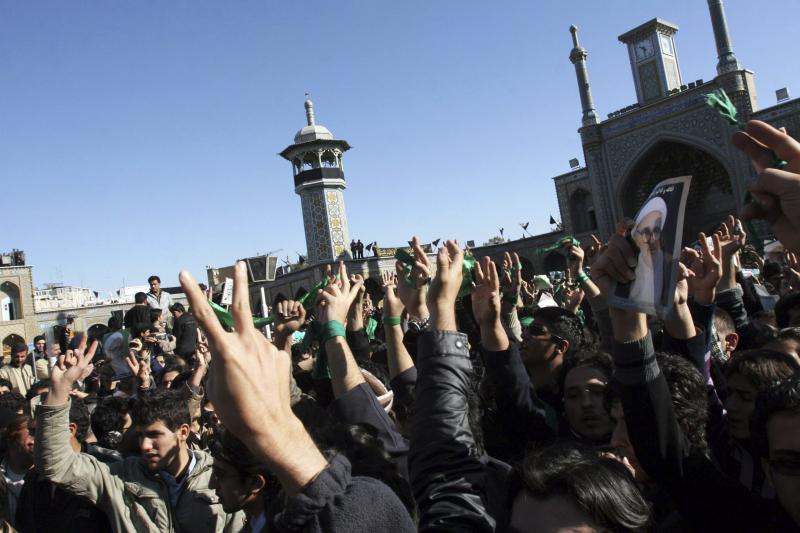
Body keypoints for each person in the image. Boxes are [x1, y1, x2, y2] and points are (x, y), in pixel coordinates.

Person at [34, 338, 246, 533]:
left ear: (183, 432)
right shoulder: (119, 477)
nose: (145, 445)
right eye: (141, 435)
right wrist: (60, 390)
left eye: (154, 435)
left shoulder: (217, 477)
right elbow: (56, 465)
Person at [616, 196, 672, 312]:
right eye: (645, 232)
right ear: (636, 238)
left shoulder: (672, 268)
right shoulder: (625, 275)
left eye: (656, 231)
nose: (652, 240)